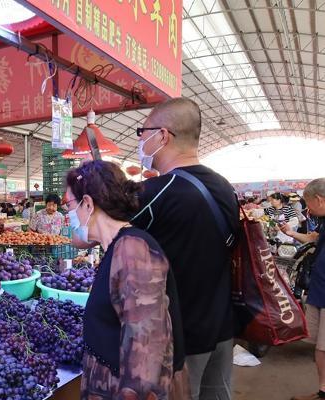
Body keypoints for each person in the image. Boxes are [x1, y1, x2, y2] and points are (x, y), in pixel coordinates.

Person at [131, 97, 238, 400]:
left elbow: (86, 235)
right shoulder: (224, 186)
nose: (140, 140)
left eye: (143, 132)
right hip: (222, 327)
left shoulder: (155, 192)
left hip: (179, 335)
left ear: (162, 135)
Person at [65, 160, 187, 399]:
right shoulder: (116, 247)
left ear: (87, 203)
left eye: (69, 205)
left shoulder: (133, 251)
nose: (68, 215)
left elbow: (147, 356)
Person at [284, 179, 325, 400]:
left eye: (309, 204)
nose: (307, 209)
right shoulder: (322, 221)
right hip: (319, 289)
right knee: (319, 345)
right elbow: (314, 238)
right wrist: (291, 234)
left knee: (323, 347)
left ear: (319, 199)